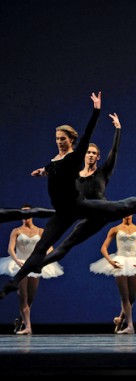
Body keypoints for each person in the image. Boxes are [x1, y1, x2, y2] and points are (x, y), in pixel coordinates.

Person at [37, 113, 136, 271]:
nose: (90, 155)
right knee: (67, 244)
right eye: (88, 152)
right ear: (83, 156)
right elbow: (60, 175)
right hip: (87, 216)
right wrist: (45, 171)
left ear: (97, 157)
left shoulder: (103, 172)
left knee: (135, 203)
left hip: (103, 212)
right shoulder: (75, 175)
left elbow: (114, 152)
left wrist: (118, 129)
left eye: (94, 153)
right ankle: (38, 265)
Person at [1, 92, 102, 299]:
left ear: (71, 140)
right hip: (62, 210)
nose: (58, 142)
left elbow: (88, 134)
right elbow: (54, 166)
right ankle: (16, 281)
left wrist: (96, 110)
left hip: (76, 204)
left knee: (122, 208)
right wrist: (43, 170)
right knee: (41, 245)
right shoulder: (56, 158)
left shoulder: (75, 155)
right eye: (56, 139)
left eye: (62, 139)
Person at [89, 215, 136, 334]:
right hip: (120, 262)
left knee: (132, 297)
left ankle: (120, 319)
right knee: (124, 296)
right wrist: (110, 261)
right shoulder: (115, 229)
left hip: (133, 261)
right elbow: (103, 248)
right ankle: (130, 326)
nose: (127, 215)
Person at [0, 205, 64, 335]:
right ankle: (28, 327)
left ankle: (20, 320)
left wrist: (43, 260)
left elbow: (50, 248)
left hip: (34, 264)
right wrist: (18, 262)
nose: (26, 215)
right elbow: (10, 249)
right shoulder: (16, 231)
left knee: (31, 298)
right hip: (20, 264)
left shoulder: (40, 231)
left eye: (28, 212)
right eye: (23, 212)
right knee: (23, 296)